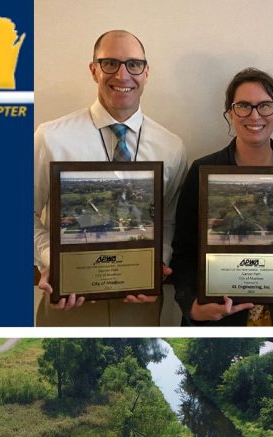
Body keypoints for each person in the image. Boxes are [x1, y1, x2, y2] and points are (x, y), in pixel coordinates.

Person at [34, 30, 187, 326]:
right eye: (110, 63)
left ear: (146, 72)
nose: (123, 74)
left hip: (139, 306)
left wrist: (159, 263)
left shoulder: (171, 147)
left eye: (134, 64)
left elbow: (168, 221)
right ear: (94, 70)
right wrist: (53, 258)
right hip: (69, 303)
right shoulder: (51, 137)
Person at [170, 68, 273, 325]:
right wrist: (191, 306)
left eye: (265, 105)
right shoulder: (202, 172)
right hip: (220, 317)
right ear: (230, 112)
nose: (254, 115)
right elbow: (183, 251)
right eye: (243, 106)